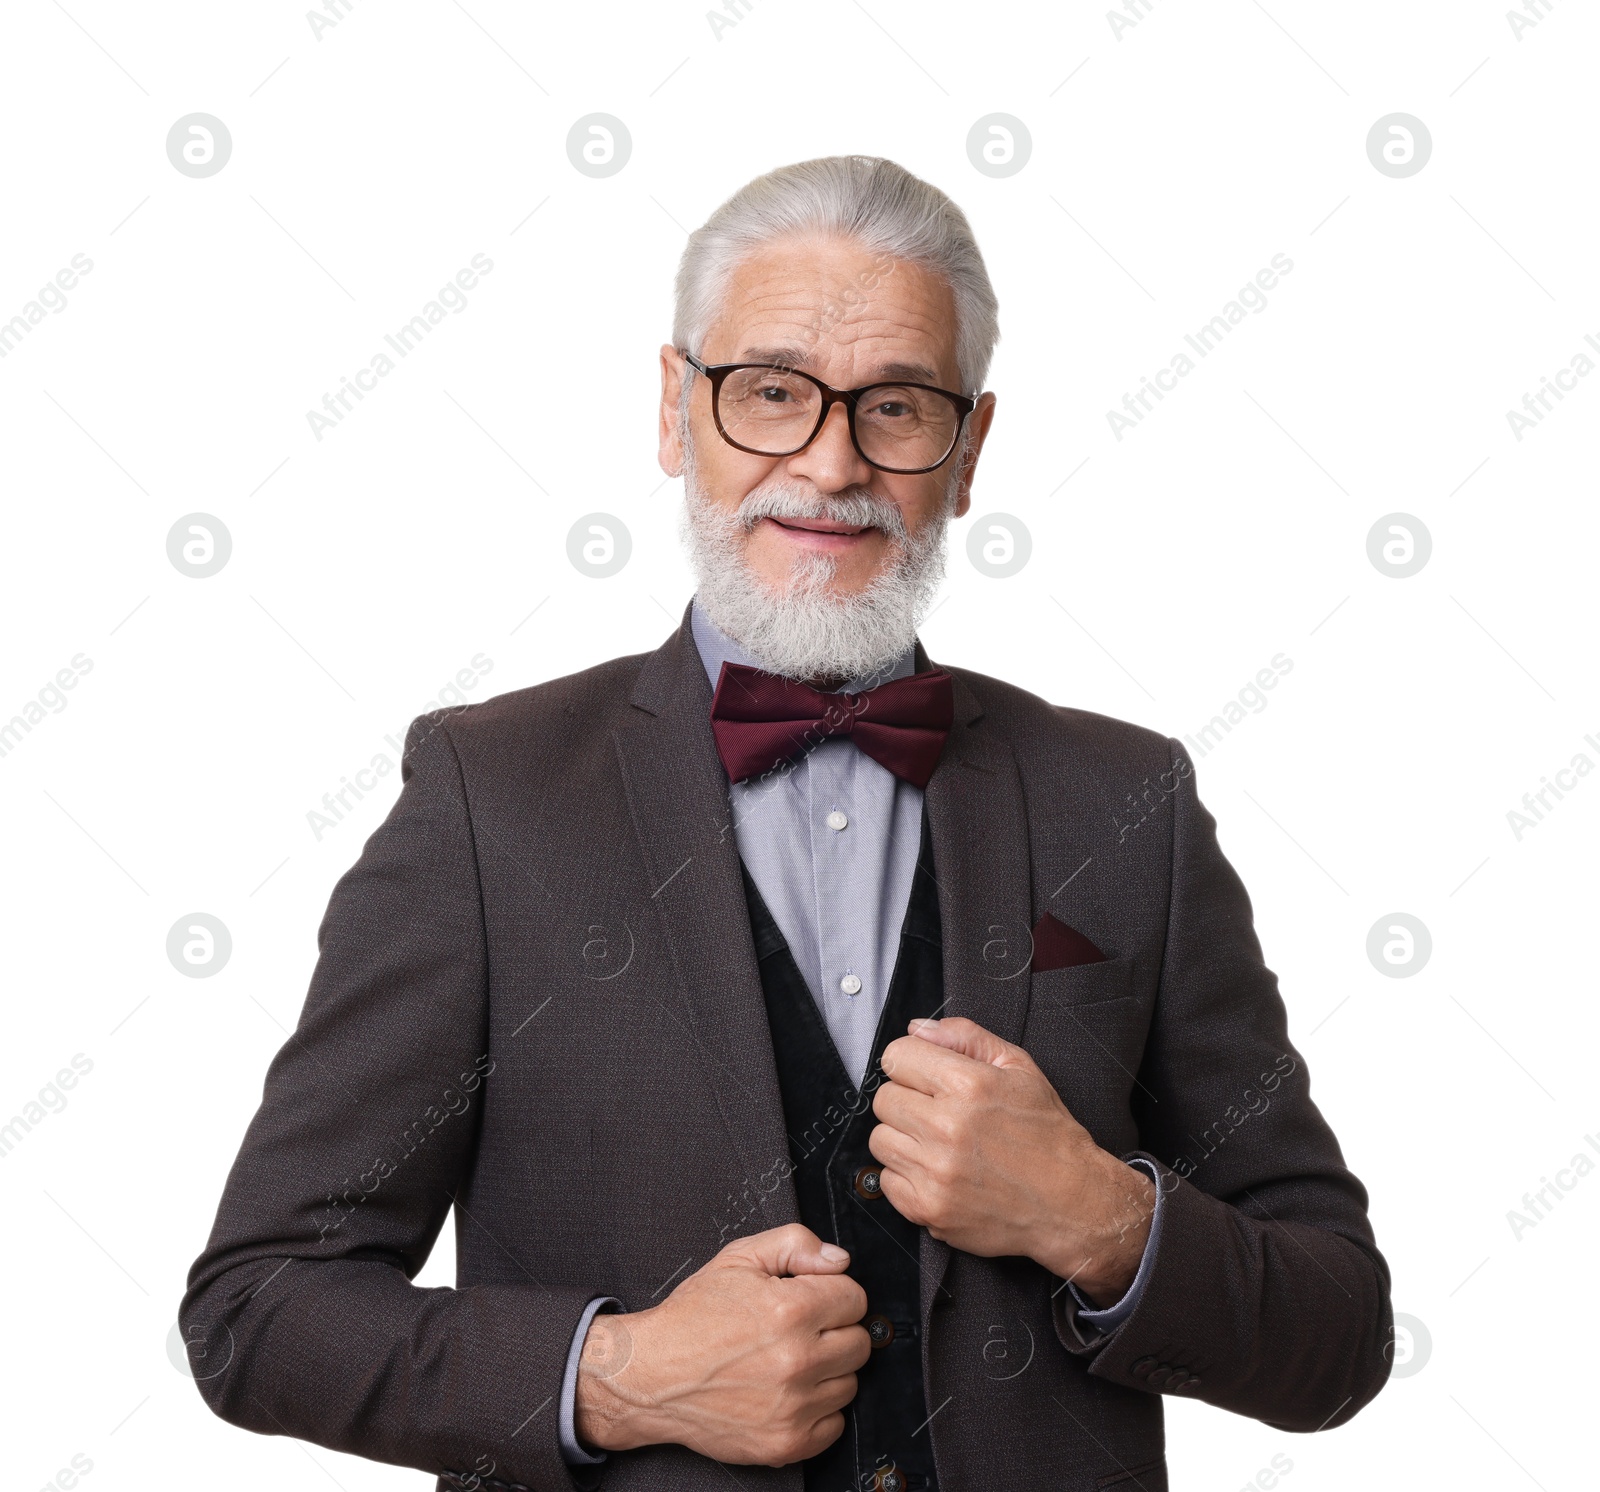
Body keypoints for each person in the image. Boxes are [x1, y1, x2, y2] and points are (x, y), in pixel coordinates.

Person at [181, 155, 1392, 1492]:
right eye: (769, 393)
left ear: (969, 449)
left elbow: (1337, 1333)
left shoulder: (1127, 802)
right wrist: (617, 1375)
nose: (829, 465)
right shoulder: (490, 798)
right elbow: (259, 1311)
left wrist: (1102, 1219)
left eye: (896, 406)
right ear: (674, 410)